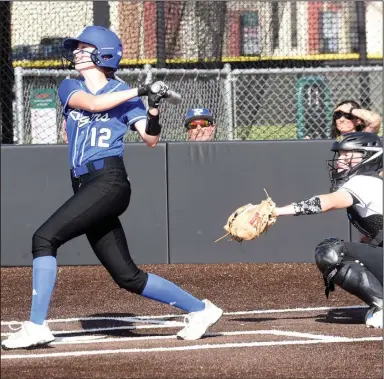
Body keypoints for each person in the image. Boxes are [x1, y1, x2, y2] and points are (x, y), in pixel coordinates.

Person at [1, 26, 223, 350]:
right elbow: (92, 104)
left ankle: (36, 326)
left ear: (102, 53)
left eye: (82, 48)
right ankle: (201, 310)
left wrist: (155, 108)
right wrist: (141, 90)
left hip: (109, 181)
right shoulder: (70, 86)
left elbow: (150, 138)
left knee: (44, 238)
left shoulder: (122, 92)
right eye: (75, 48)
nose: (75, 53)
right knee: (127, 276)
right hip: (85, 185)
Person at [273, 132, 383, 328]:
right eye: (339, 154)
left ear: (368, 156)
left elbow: (328, 203)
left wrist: (277, 211)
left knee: (330, 251)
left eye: (347, 154)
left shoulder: (364, 181)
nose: (340, 159)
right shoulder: (371, 181)